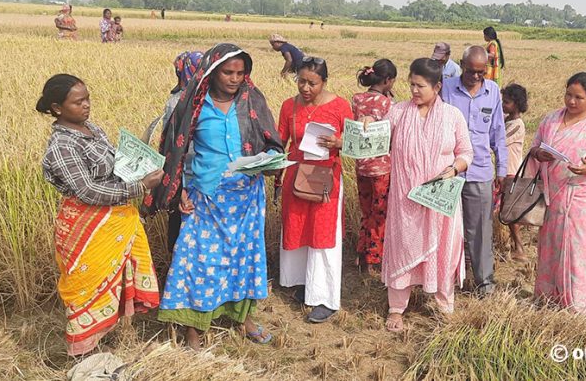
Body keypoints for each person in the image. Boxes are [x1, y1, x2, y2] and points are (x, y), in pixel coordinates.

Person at [145, 43, 284, 349]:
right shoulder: (192, 104)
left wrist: (272, 161)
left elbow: (272, 141)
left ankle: (243, 319)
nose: (235, 78)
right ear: (211, 71)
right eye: (227, 72)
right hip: (204, 198)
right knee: (198, 263)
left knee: (244, 260)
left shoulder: (252, 101)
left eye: (240, 72)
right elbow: (173, 151)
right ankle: (194, 330)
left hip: (247, 198)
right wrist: (179, 191)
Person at [37, 74, 163, 356]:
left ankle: (103, 343)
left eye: (87, 98)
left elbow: (113, 166)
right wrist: (140, 186)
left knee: (112, 282)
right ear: (58, 108)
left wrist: (140, 165)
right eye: (78, 101)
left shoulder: (91, 129)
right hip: (86, 226)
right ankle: (82, 354)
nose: (86, 106)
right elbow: (89, 191)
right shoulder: (62, 146)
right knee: (86, 286)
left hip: (114, 220)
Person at [382, 58, 474, 332]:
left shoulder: (452, 116)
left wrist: (453, 169)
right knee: (403, 249)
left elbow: (466, 153)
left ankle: (444, 304)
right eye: (411, 85)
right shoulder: (397, 112)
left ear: (437, 87)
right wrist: (367, 124)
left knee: (443, 249)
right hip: (405, 200)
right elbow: (378, 138)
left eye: (420, 86)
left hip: (439, 199)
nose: (414, 91)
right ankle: (397, 309)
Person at [526, 72, 586, 314]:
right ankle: (548, 298)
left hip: (579, 196)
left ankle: (579, 305)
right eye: (568, 95)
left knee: (577, 249)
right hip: (551, 196)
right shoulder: (551, 120)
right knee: (550, 247)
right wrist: (538, 154)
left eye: (579, 98)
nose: (571, 102)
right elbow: (534, 147)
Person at [275, 56, 353, 323]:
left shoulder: (341, 106)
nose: (305, 88)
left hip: (326, 181)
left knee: (323, 235)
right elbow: (280, 141)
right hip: (296, 178)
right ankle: (302, 284)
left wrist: (338, 142)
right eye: (301, 81)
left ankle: (325, 298)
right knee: (297, 228)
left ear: (325, 82)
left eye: (312, 83)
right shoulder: (289, 106)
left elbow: (355, 144)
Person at [440, 46, 507, 297]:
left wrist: (502, 168)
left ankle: (484, 284)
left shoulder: (493, 92)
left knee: (480, 230)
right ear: (461, 65)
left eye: (481, 72)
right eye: (471, 71)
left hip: (479, 172)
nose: (477, 77)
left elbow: (498, 133)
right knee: (446, 229)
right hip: (449, 172)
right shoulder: (445, 88)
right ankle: (444, 282)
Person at [351, 59, 397, 274]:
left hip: (361, 166)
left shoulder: (357, 99)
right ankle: (373, 258)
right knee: (379, 214)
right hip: (381, 168)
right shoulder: (388, 105)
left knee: (366, 211)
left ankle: (361, 254)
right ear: (388, 81)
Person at [160, 51, 203, 252]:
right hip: (197, 171)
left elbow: (167, 139)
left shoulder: (175, 100)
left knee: (179, 223)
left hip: (179, 170)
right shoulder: (206, 99)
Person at [499, 83, 529, 260]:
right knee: (507, 211)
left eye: (507, 102)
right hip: (506, 170)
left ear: (516, 104)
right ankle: (515, 247)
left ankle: (519, 248)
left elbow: (499, 141)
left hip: (511, 171)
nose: (504, 105)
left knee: (509, 211)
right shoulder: (508, 120)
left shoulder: (517, 125)